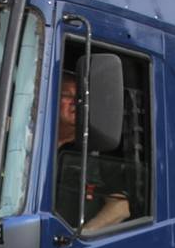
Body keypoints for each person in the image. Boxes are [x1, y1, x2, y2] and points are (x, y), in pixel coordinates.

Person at [54, 73, 130, 234]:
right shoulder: (23, 146)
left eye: (80, 97)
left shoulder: (99, 150)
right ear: (52, 98)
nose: (76, 102)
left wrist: (81, 235)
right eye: (67, 95)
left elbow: (121, 207)